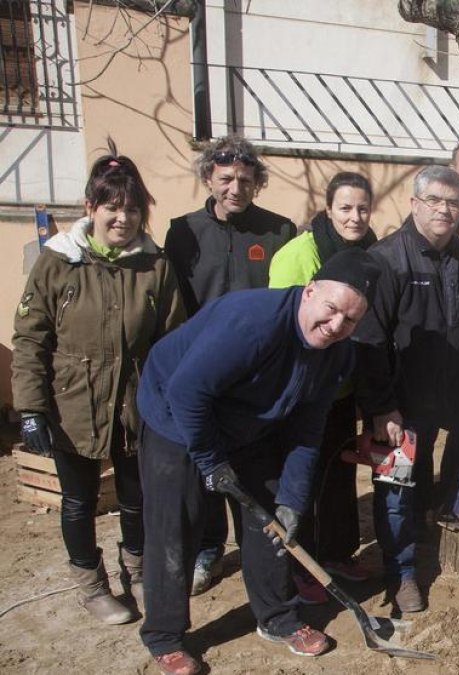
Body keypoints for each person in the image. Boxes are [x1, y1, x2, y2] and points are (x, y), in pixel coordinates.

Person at [136, 249, 379, 675]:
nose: (337, 325)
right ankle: (165, 635)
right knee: (176, 525)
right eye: (332, 309)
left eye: (351, 320)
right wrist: (211, 462)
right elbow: (187, 393)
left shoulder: (338, 354)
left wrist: (293, 499)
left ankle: (278, 617)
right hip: (175, 416)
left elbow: (307, 430)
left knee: (272, 522)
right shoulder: (252, 323)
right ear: (309, 292)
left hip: (250, 424)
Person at [12, 151, 185, 625]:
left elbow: (173, 340)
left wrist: (171, 404)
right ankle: (90, 584)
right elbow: (30, 338)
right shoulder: (58, 263)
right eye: (113, 207)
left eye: (133, 209)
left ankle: (138, 571)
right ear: (91, 206)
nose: (123, 218)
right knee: (78, 501)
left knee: (136, 498)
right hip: (72, 403)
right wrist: (30, 408)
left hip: (134, 404)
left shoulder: (155, 267)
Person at [353, 166, 459, 615]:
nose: (445, 210)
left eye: (453, 202)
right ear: (414, 204)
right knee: (397, 490)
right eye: (435, 201)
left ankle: (456, 503)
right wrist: (381, 406)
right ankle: (404, 572)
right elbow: (369, 342)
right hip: (403, 400)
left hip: (455, 391)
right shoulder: (387, 259)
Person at [164, 135, 297, 595]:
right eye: (225, 179)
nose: (235, 188)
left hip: (256, 371)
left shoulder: (278, 230)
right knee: (206, 460)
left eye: (245, 179)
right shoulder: (182, 231)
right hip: (201, 366)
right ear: (208, 178)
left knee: (256, 466)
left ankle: (258, 550)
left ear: (257, 182)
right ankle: (209, 547)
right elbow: (175, 302)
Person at [268, 172, 379, 604]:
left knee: (340, 470)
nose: (354, 217)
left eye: (362, 208)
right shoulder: (299, 254)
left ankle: (336, 552)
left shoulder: (372, 253)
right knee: (305, 476)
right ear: (328, 208)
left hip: (344, 385)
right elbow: (286, 325)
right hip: (305, 386)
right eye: (346, 208)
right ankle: (301, 563)